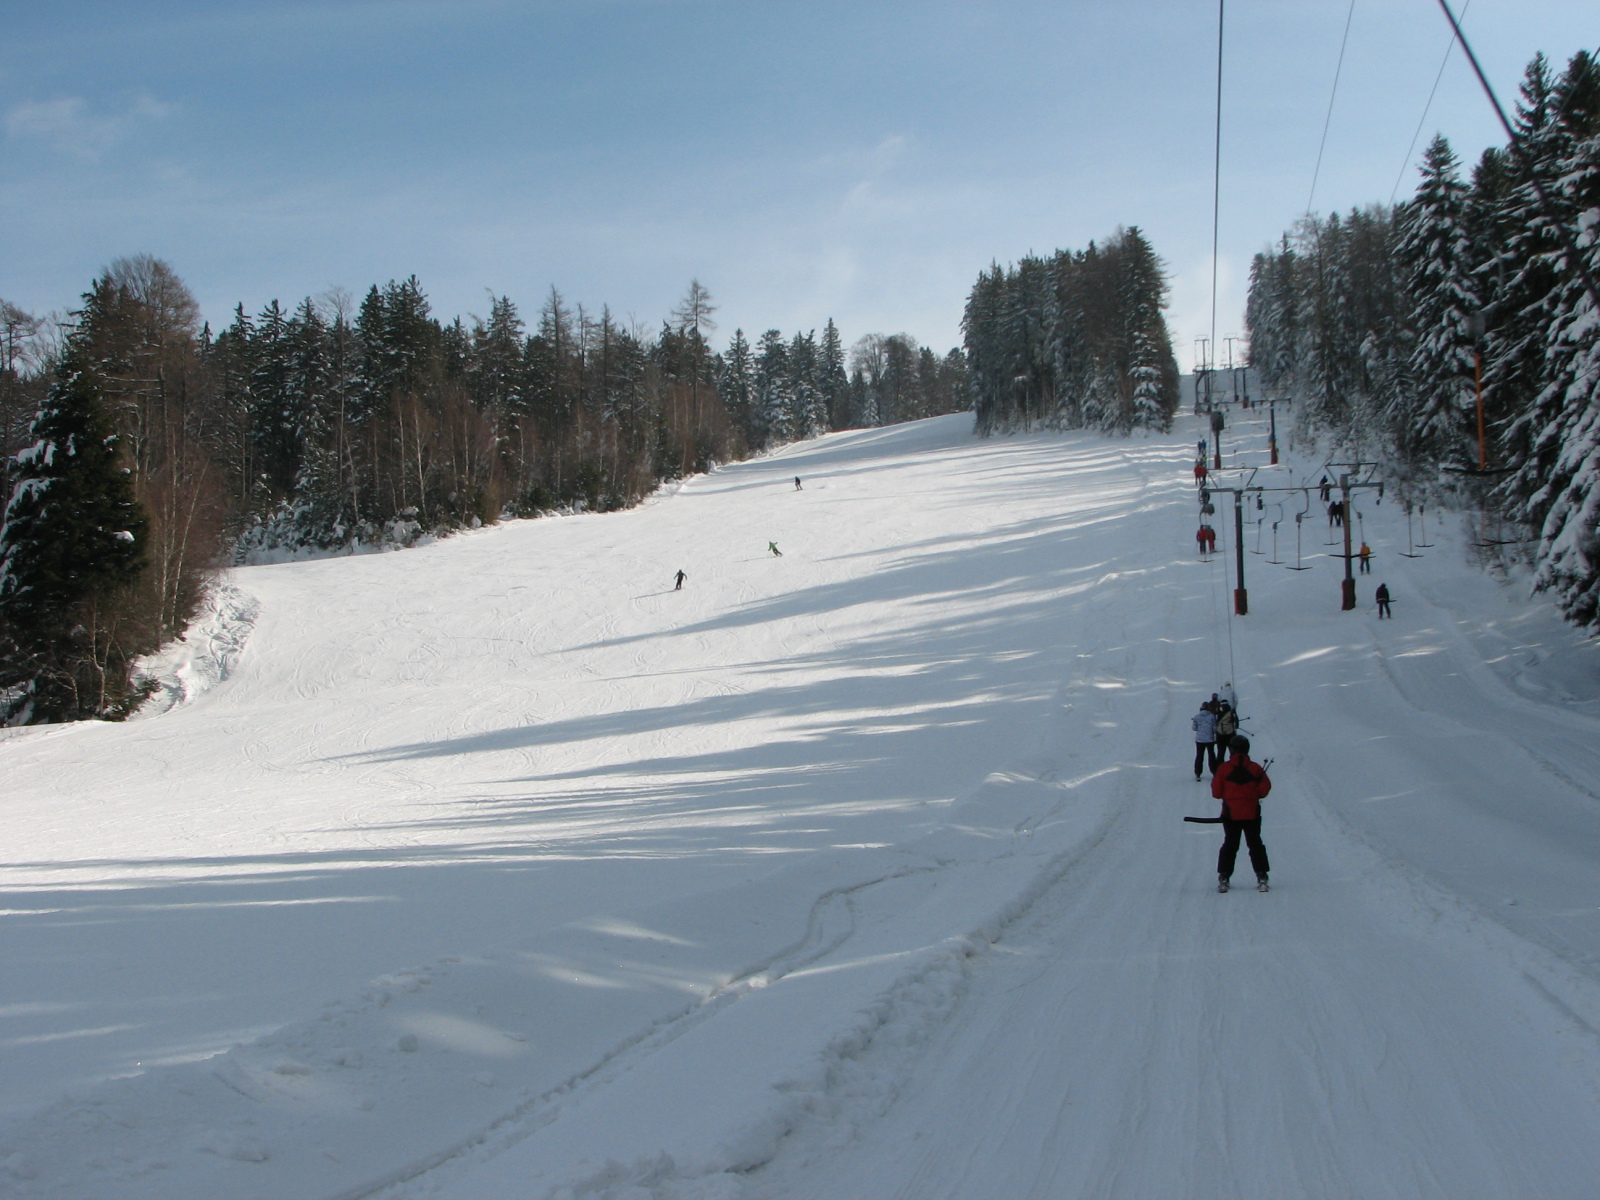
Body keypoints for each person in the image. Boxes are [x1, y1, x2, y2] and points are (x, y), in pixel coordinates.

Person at [1212, 735, 1272, 892]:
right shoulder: (1255, 768)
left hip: (1230, 814)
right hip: (1252, 812)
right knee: (1255, 844)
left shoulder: (1224, 769)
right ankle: (1262, 875)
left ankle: (1224, 876)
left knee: (1230, 845)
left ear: (1230, 750)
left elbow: (1216, 793)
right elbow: (1264, 789)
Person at [1191, 702, 1219, 780]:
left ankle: (1198, 773)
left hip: (1199, 739)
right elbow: (1215, 728)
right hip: (1210, 739)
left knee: (1199, 756)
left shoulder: (1197, 717)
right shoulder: (1212, 716)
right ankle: (1214, 772)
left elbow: (1194, 728)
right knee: (1211, 755)